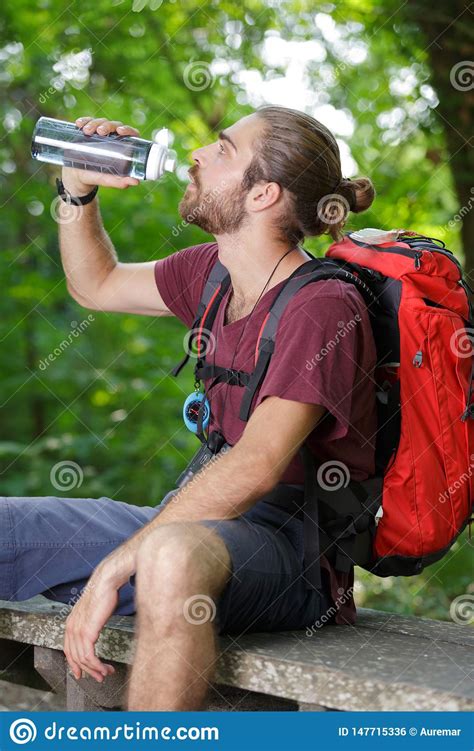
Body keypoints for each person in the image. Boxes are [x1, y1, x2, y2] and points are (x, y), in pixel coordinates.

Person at [2, 105, 377, 710]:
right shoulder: (213, 273)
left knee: (167, 555)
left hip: (291, 559)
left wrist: (117, 565)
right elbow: (95, 284)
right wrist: (76, 189)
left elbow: (257, 465)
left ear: (262, 194)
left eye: (223, 149)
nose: (198, 154)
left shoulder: (323, 307)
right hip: (191, 521)